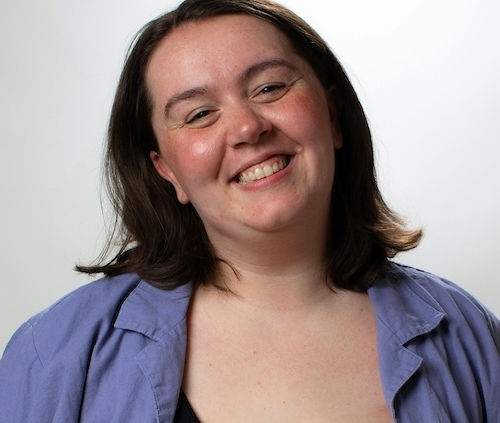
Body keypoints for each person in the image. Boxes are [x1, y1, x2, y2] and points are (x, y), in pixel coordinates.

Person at [0, 0, 498, 421]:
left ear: (333, 115)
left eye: (269, 87)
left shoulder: (469, 335)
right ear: (166, 170)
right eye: (199, 114)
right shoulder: (53, 354)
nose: (246, 127)